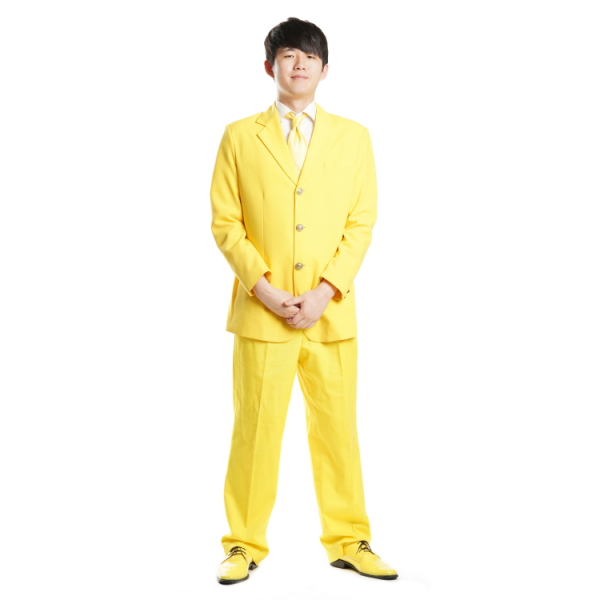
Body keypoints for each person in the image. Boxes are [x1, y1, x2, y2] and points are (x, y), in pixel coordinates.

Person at [210, 16, 397, 584]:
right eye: (288, 55)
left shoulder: (354, 137)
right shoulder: (239, 136)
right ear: (270, 66)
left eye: (309, 57)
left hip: (330, 314)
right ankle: (242, 544)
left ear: (325, 69)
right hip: (261, 314)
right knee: (255, 432)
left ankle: (350, 540)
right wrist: (264, 289)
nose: (298, 65)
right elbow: (226, 223)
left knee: (338, 432)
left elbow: (361, 223)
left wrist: (324, 291)